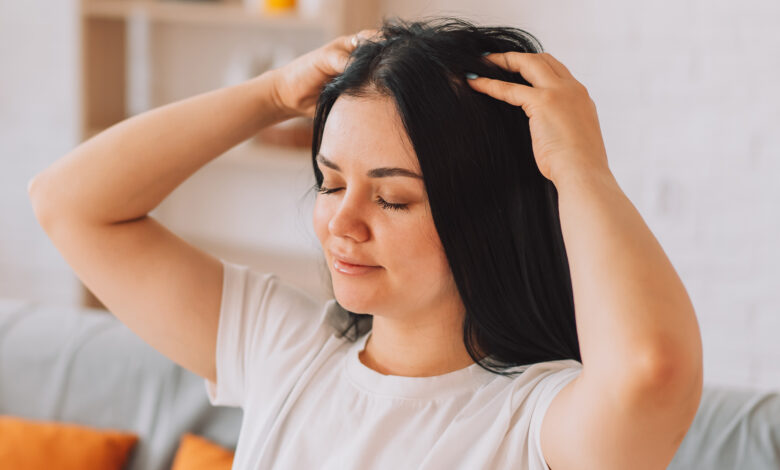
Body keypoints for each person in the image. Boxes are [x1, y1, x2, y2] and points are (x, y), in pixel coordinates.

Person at [29, 16, 703, 470]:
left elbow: (652, 372)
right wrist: (270, 93)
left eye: (392, 197)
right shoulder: (286, 351)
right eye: (329, 183)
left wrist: (579, 167)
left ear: (486, 217)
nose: (341, 224)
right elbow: (69, 203)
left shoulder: (535, 421)